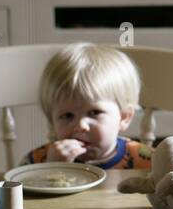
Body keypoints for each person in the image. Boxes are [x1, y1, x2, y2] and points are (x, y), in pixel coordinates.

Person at [21, 43, 153, 171]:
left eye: (94, 112)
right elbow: (17, 192)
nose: (80, 126)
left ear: (124, 117)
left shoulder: (148, 160)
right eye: (67, 116)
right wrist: (52, 170)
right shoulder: (36, 162)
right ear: (52, 121)